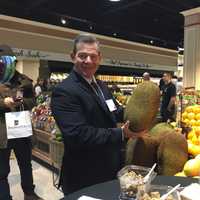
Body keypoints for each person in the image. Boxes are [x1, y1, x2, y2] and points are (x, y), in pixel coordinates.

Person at [51, 34, 146, 195]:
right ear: (73, 57)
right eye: (82, 56)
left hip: (109, 169)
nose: (88, 61)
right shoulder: (64, 91)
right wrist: (121, 133)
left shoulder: (101, 86)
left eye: (93, 56)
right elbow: (77, 134)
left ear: (99, 58)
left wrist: (141, 116)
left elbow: (115, 112)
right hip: (84, 174)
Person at [0, 45, 43, 200]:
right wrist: (4, 103)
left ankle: (29, 194)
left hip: (21, 129)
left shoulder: (24, 81)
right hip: (2, 132)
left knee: (26, 164)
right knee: (2, 170)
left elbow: (32, 101)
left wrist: (21, 102)